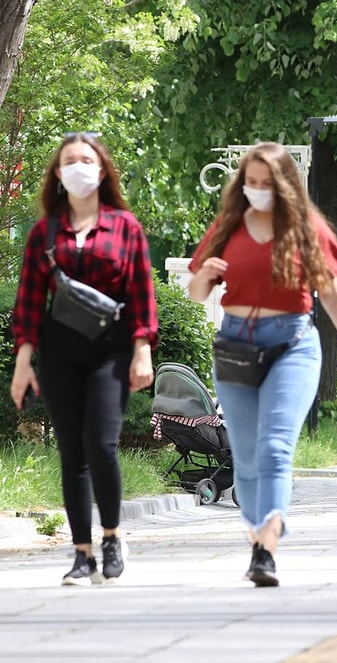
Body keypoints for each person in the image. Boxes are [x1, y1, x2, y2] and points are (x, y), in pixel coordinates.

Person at [188, 142, 337, 587]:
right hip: (235, 346)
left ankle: (265, 546)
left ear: (286, 185)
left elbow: (330, 295)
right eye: (251, 183)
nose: (258, 190)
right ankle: (258, 531)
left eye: (267, 184)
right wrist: (205, 276)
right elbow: (195, 292)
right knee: (245, 457)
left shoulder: (306, 229)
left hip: (293, 346)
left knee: (274, 449)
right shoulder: (228, 226)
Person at [10, 133, 158, 585]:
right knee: (71, 452)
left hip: (111, 349)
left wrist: (142, 350)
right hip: (60, 350)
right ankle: (81, 553)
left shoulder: (125, 226)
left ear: (102, 169)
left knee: (101, 443)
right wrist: (23, 363)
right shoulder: (45, 232)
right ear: (58, 174)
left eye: (86, 160)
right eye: (69, 161)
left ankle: (112, 537)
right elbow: (30, 303)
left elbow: (140, 294)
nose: (78, 168)